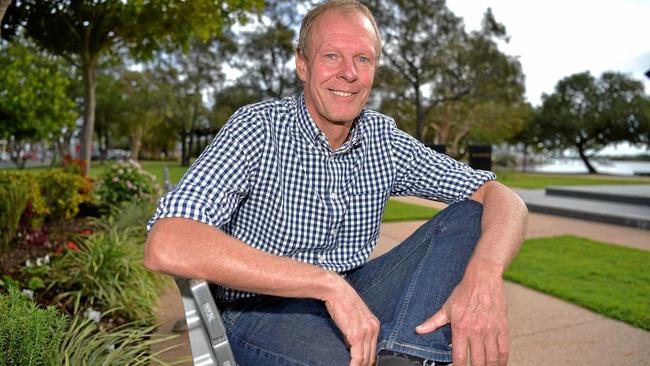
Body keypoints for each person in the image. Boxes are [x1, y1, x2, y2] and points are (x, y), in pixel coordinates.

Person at [144, 1, 528, 365]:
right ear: (302, 65)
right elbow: (167, 243)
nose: (349, 72)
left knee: (467, 217)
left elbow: (504, 199)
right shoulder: (258, 128)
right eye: (332, 56)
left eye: (363, 58)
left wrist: (485, 277)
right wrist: (326, 284)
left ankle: (406, 356)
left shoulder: (383, 138)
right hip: (259, 309)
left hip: (357, 291)